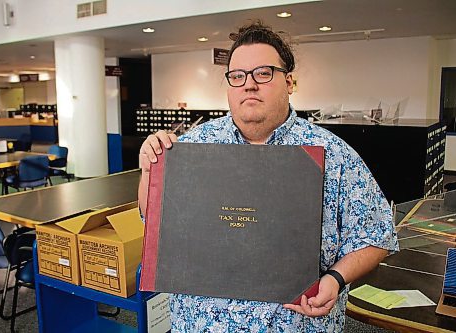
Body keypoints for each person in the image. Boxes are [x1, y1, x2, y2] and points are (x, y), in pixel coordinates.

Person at [138, 21, 398, 332]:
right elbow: (152, 221)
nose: (249, 84)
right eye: (237, 76)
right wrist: (148, 173)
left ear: (289, 82)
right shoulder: (194, 146)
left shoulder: (334, 153)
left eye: (263, 73)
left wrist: (336, 278)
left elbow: (377, 234)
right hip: (202, 324)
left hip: (298, 324)